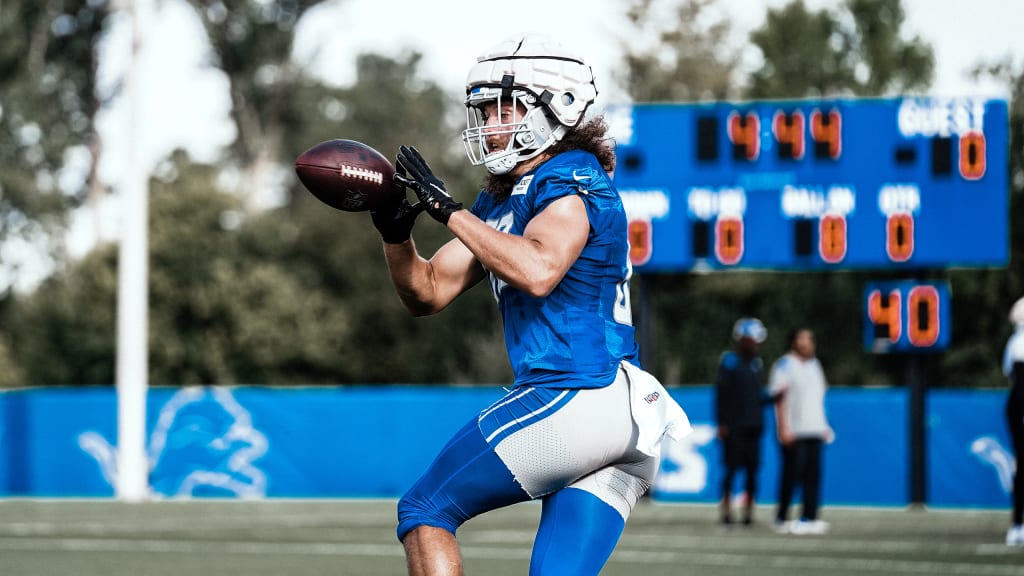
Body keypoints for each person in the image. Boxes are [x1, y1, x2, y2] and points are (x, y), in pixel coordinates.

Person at [368, 33, 691, 576]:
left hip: (575, 392)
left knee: (425, 509)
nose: (489, 123)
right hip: (619, 412)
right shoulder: (501, 200)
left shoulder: (568, 176)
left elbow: (539, 270)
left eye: (502, 108)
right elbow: (425, 292)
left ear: (556, 109)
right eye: (483, 110)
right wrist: (395, 234)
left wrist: (448, 211)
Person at [769, 327, 833, 535]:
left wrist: (824, 426)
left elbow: (819, 398)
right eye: (802, 339)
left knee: (813, 476)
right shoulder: (784, 365)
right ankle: (782, 516)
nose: (807, 343)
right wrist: (783, 428)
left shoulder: (815, 365)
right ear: (794, 342)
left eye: (809, 339)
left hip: (814, 428)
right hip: (795, 430)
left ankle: (810, 516)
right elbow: (778, 400)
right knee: (791, 475)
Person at [715, 317, 770, 527]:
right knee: (731, 470)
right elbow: (722, 395)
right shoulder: (729, 362)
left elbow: (757, 395)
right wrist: (722, 423)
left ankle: (748, 513)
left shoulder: (757, 364)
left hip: (754, 425)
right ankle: (727, 512)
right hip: (735, 426)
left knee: (752, 472)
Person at [1003, 297, 1024, 546]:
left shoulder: (1014, 342)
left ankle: (1018, 522)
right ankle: (1018, 522)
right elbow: (1018, 384)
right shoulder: (1019, 343)